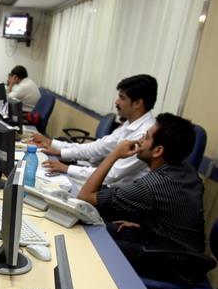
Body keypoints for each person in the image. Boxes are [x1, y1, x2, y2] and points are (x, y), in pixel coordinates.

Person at [77, 113, 205, 277]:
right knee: (98, 227)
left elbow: (85, 197)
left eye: (147, 137)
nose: (140, 141)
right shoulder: (186, 170)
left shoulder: (153, 185)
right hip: (178, 247)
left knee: (93, 242)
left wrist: (115, 154)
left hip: (172, 261)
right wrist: (148, 226)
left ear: (158, 151)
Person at [34, 74, 157, 188]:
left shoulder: (144, 135)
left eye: (122, 98)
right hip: (101, 183)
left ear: (137, 103)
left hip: (113, 195)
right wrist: (58, 149)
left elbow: (112, 175)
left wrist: (67, 168)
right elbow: (97, 148)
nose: (116, 101)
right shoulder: (129, 124)